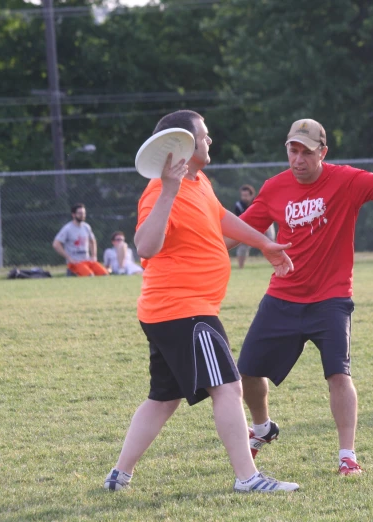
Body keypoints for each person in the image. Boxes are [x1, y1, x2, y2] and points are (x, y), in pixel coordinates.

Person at [103, 109, 299, 494]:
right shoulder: (161, 191)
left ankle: (119, 475)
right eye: (204, 136)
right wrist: (169, 191)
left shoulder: (199, 181)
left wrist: (264, 243)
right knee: (227, 388)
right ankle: (248, 478)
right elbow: (144, 246)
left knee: (163, 399)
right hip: (184, 310)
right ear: (184, 144)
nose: (210, 140)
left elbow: (220, 215)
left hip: (174, 312)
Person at [232, 118, 373, 476]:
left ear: (322, 153)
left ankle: (347, 455)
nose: (297, 159)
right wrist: (194, 243)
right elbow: (237, 231)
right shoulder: (273, 188)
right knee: (247, 373)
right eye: (292, 150)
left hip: (331, 299)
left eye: (306, 152)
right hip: (282, 296)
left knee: (338, 375)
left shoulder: (344, 180)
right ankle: (264, 428)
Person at [52, 204, 109, 276]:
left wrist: (94, 256)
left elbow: (92, 241)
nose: (82, 215)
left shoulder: (86, 227)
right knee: (89, 275)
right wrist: (69, 258)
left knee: (105, 274)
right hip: (75, 263)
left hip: (87, 260)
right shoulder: (68, 228)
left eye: (84, 213)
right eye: (80, 213)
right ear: (73, 215)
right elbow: (56, 244)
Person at [233, 185, 276, 268]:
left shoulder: (258, 202)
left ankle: (276, 264)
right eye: (242, 195)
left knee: (270, 242)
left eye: (246, 196)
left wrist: (265, 230)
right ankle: (240, 267)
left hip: (265, 222)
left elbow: (267, 216)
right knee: (242, 245)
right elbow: (239, 222)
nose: (244, 198)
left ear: (252, 195)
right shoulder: (239, 205)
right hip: (247, 225)